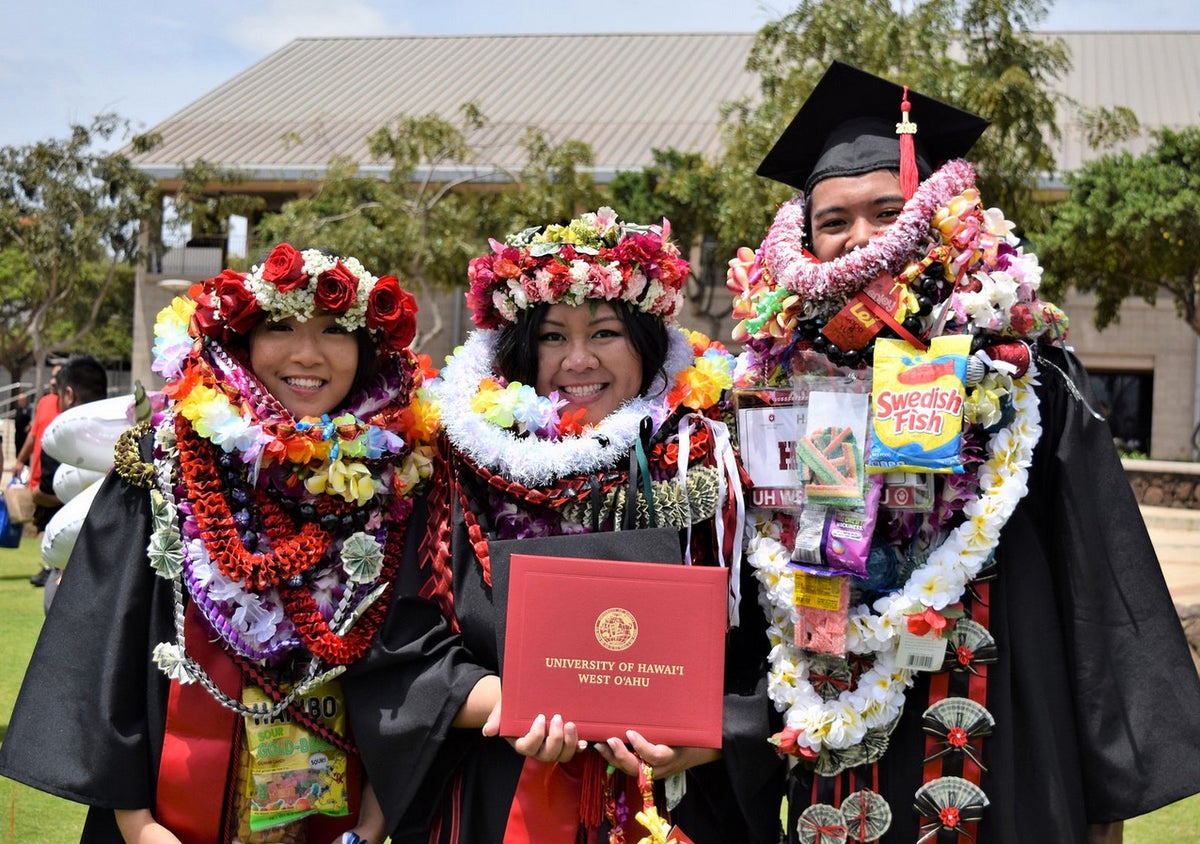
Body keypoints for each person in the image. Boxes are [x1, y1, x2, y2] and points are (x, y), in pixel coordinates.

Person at [727, 61, 1200, 843]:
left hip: (1001, 737)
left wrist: (1103, 798)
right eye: (834, 221)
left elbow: (1095, 584)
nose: (862, 238)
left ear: (936, 221)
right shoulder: (777, 394)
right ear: (802, 240)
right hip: (838, 743)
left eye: (888, 209)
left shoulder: (1024, 378)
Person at [346, 208, 783, 843]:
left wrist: (709, 740)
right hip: (498, 801)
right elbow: (404, 648)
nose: (578, 361)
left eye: (605, 332)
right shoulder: (457, 468)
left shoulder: (712, 458)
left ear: (646, 340)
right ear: (520, 349)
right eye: (552, 337)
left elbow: (778, 647)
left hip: (678, 805)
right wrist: (505, 700)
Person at [0, 243, 432, 844]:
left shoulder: (395, 482)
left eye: (336, 330)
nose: (308, 353)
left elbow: (407, 655)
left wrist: (376, 817)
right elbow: (108, 645)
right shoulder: (167, 460)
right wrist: (138, 825)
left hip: (331, 820)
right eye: (280, 325)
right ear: (242, 340)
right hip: (163, 820)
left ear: (365, 351)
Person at [37, 354, 109, 610]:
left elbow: (47, 491)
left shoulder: (60, 439)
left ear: (68, 394)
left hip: (69, 570)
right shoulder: (124, 433)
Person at [15, 364, 62, 586]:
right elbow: (33, 435)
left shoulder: (69, 407)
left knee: (55, 526)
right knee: (43, 525)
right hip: (38, 478)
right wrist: (20, 460)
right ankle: (49, 567)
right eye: (51, 377)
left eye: (57, 378)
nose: (53, 382)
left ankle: (53, 569)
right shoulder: (44, 402)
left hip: (58, 480)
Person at [12, 390, 32, 459]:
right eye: (18, 400)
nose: (19, 401)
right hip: (18, 434)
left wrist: (29, 426)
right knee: (17, 450)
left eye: (20, 400)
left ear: (24, 400)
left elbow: (32, 420)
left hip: (25, 435)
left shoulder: (28, 409)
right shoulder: (18, 409)